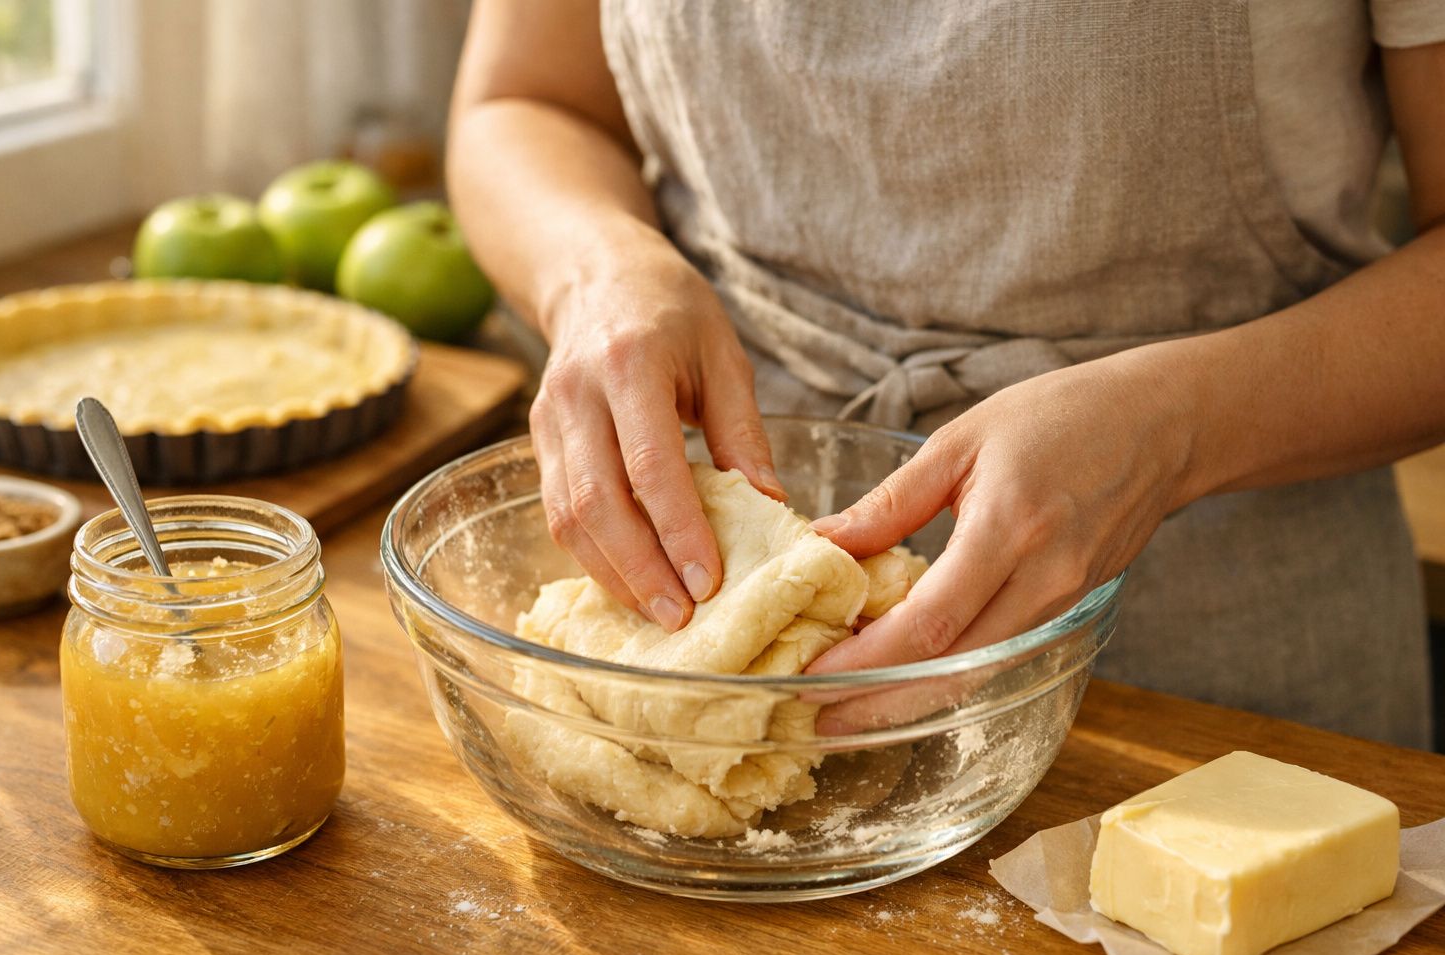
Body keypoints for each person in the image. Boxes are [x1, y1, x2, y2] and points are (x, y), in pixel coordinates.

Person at [446, 1, 1445, 749]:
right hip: (711, 671)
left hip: (1224, 683)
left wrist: (1176, 427)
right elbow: (525, 100)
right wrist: (597, 273)